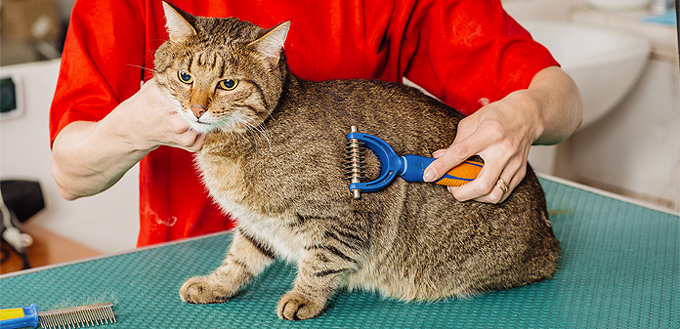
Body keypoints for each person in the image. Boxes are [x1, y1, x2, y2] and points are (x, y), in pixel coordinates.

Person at [50, 0, 583, 247]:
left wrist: (525, 115)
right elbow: (72, 175)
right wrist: (136, 125)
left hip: (351, 257)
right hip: (193, 256)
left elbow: (563, 99)